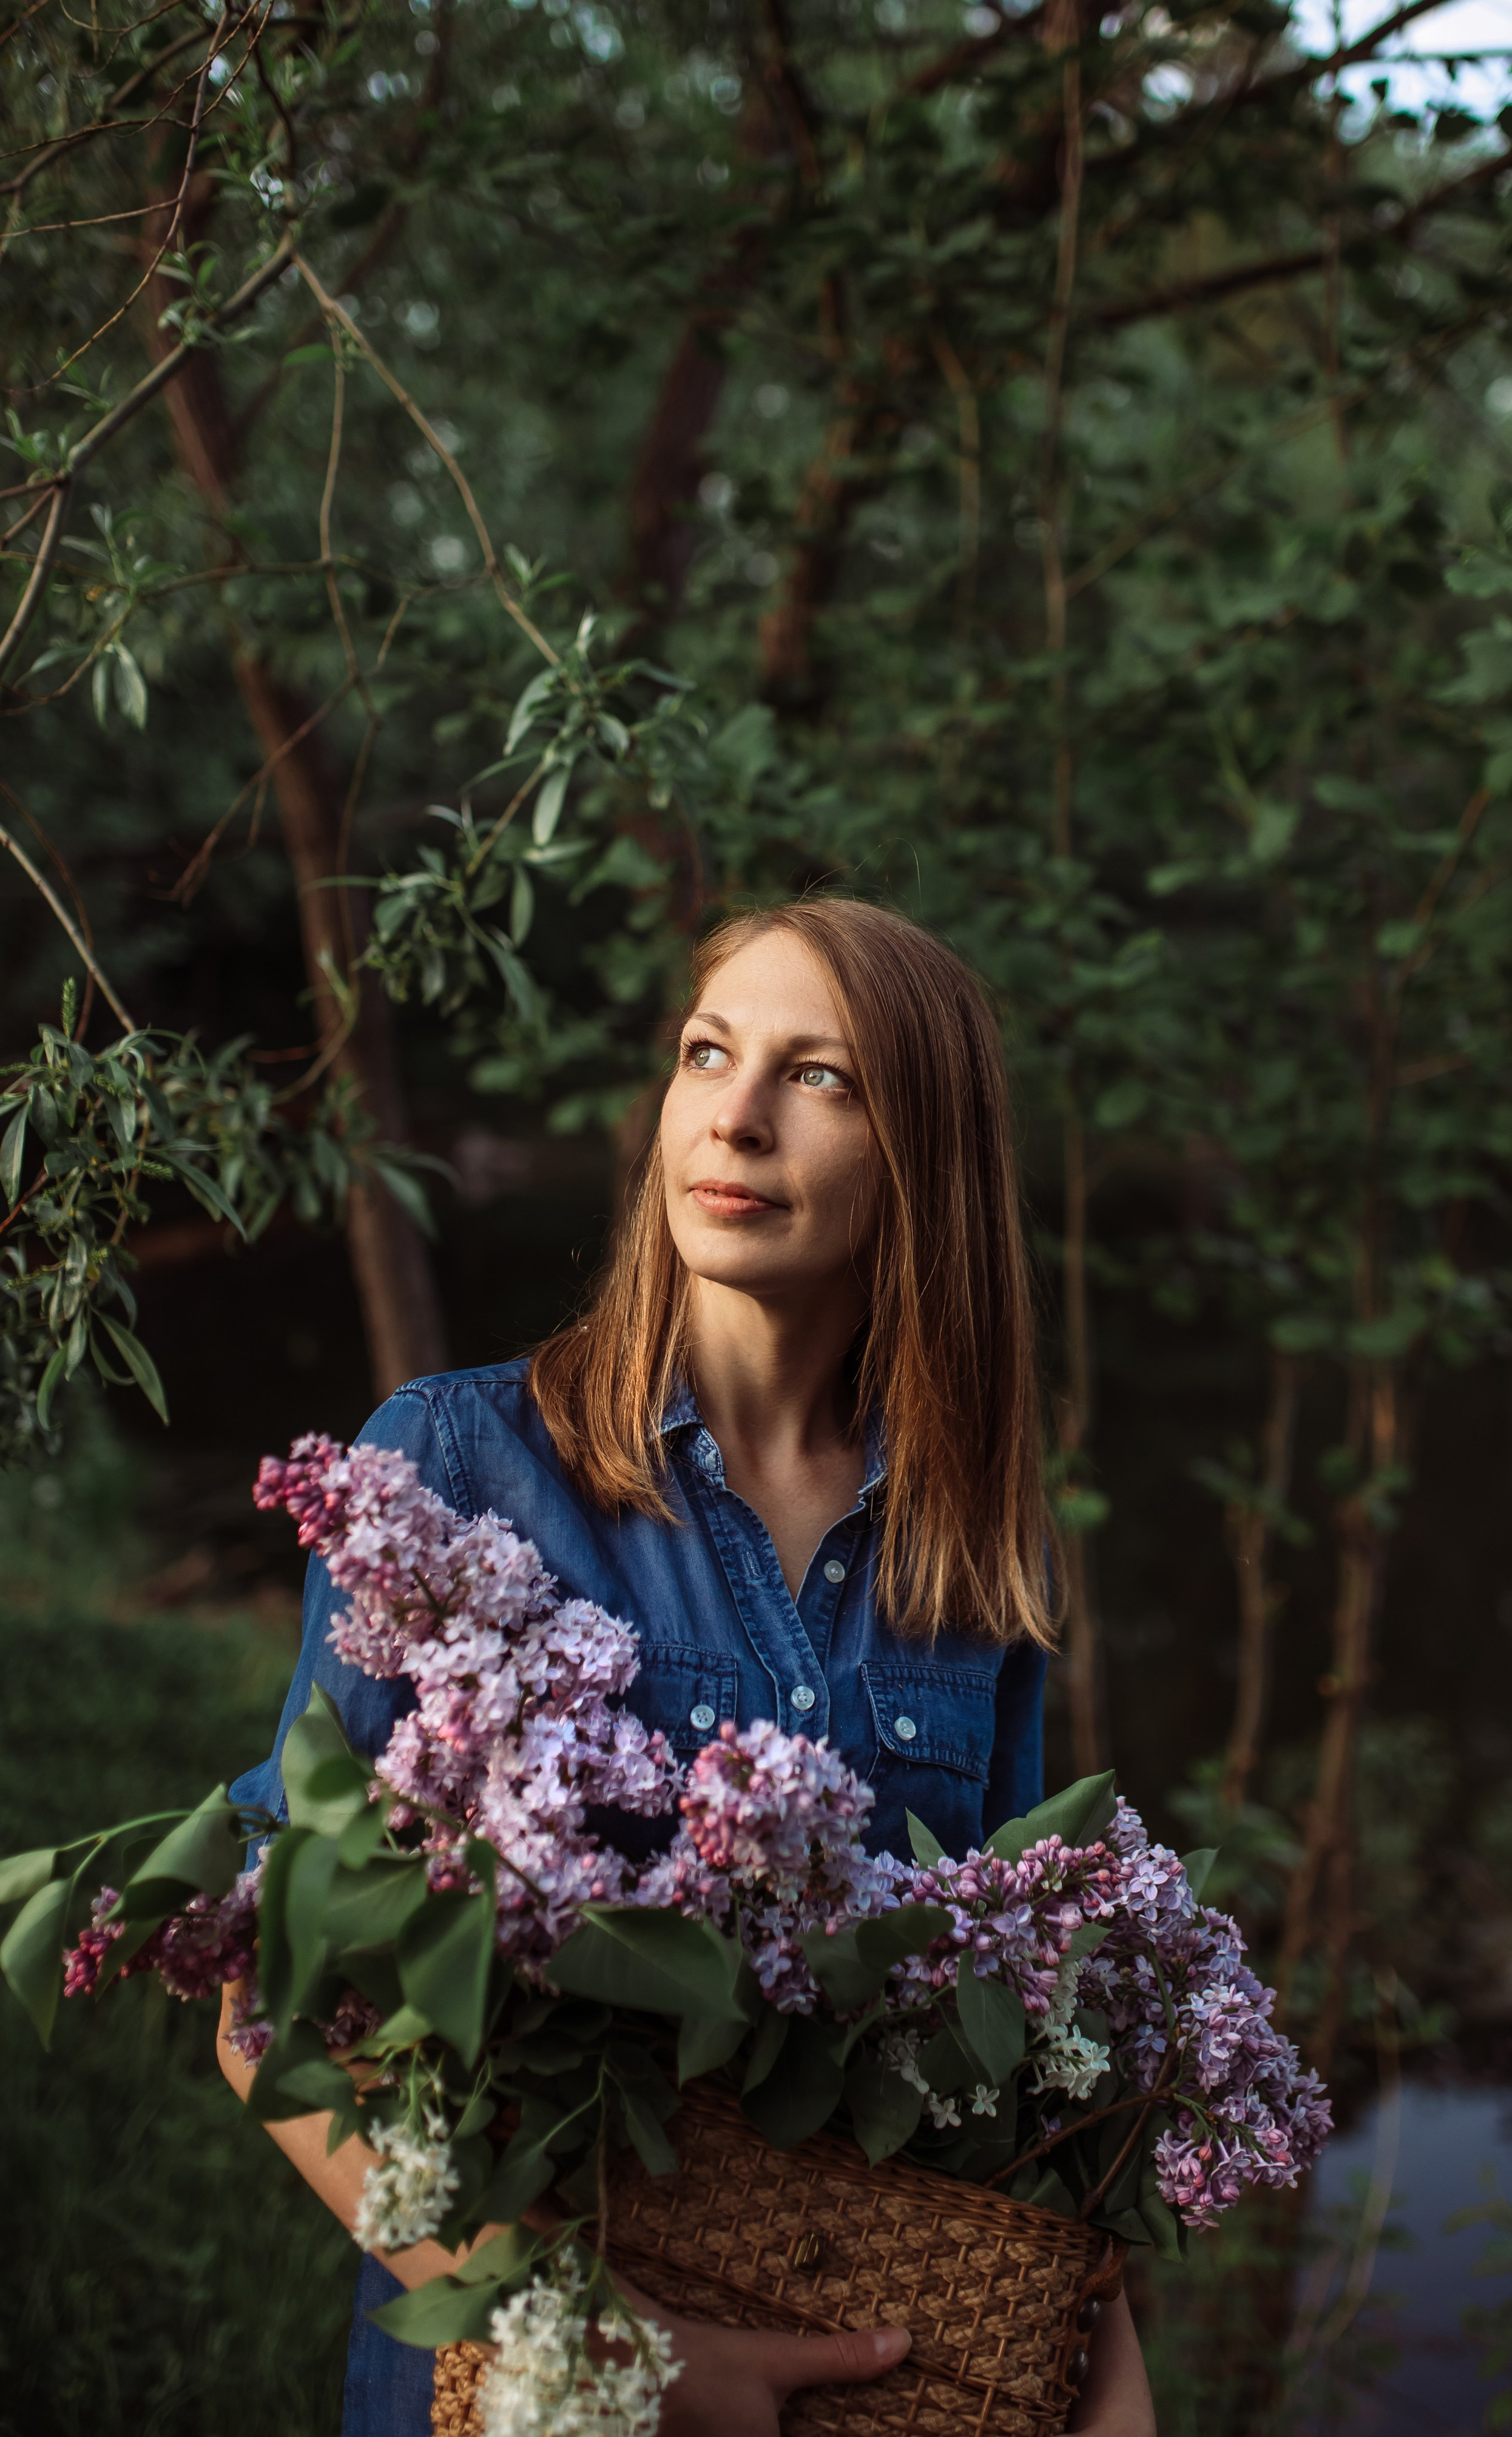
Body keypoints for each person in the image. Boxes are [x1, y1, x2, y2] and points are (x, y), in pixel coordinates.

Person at [220, 897, 1156, 2437]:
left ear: (920, 1155)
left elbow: (1009, 2045)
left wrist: (1105, 2365)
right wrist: (608, 2352)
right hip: (521, 2386)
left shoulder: (977, 1555)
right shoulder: (450, 1466)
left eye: (819, 1077)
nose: (732, 1114)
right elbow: (263, 1999)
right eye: (706, 1053)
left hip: (852, 2377)